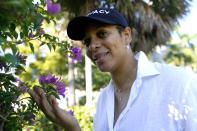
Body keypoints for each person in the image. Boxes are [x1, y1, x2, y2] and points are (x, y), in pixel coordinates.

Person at [28, 8, 197, 131]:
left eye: (102, 34)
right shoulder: (103, 100)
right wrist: (73, 128)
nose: (93, 46)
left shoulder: (179, 83)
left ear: (126, 36)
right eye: (87, 41)